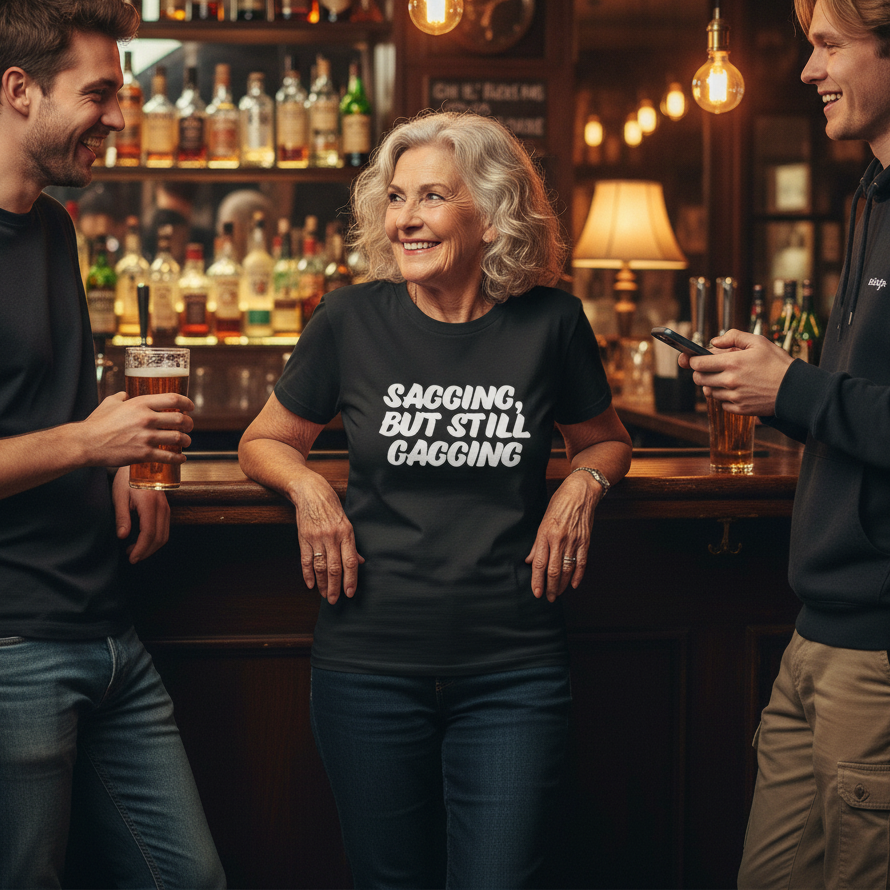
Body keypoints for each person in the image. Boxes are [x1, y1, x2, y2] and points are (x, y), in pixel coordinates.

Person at [239, 110, 632, 888]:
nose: (406, 220)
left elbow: (607, 439)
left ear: (490, 213)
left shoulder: (552, 321)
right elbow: (263, 440)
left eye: (431, 198)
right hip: (367, 670)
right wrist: (311, 486)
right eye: (395, 198)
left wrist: (582, 484)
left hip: (513, 672)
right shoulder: (350, 319)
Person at [0, 1, 225, 887]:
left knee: (189, 879)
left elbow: (56, 390)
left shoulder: (55, 226)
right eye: (99, 93)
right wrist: (89, 445)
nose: (119, 119)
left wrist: (124, 461)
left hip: (109, 628)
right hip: (14, 644)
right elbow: (68, 431)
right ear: (18, 90)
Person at [679, 1, 890, 886]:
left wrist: (793, 386)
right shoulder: (870, 194)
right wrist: (776, 391)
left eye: (830, 46)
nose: (808, 71)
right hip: (815, 634)